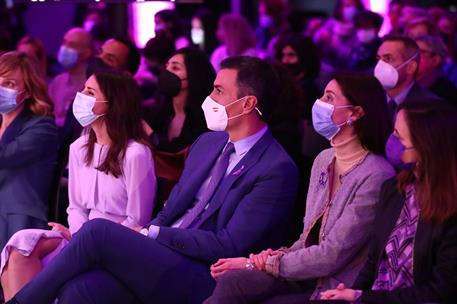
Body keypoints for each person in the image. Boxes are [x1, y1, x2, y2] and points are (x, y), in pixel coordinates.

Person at [7, 56, 299, 304]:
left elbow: (230, 245)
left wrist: (154, 234)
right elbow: (172, 209)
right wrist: (152, 235)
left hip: (206, 273)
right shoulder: (208, 143)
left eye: (219, 91)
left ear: (247, 103)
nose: (210, 98)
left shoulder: (275, 168)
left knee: (98, 232)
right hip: (163, 255)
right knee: (79, 291)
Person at [204, 74, 395, 303]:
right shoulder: (324, 159)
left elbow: (332, 255)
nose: (320, 102)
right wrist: (273, 257)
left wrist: (255, 263)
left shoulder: (377, 174)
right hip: (304, 274)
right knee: (233, 280)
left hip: (337, 285)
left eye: (330, 97)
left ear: (355, 112)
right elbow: (307, 239)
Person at [0, 70, 157, 301]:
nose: (80, 95)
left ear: (112, 103)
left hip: (116, 245)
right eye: (83, 88)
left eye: (90, 92)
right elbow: (75, 207)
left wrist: (85, 239)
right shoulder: (79, 147)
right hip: (79, 235)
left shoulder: (136, 154)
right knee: (20, 246)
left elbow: (137, 220)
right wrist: (77, 235)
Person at [320, 101, 457, 304]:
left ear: (426, 149)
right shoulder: (394, 188)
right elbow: (374, 259)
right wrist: (352, 294)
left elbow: (439, 292)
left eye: (399, 137)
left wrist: (363, 297)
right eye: (393, 132)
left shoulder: (451, 211)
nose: (392, 142)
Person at [0, 52, 58, 250]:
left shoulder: (42, 127)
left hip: (19, 219)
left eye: (8, 84)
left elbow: (4, 157)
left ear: (27, 91)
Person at [147, 47, 214, 153]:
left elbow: (181, 154)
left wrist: (149, 134)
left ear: (193, 75)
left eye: (175, 68)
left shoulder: (206, 121)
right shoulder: (161, 113)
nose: (166, 72)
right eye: (166, 66)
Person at [374, 35, 440, 124]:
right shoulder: (370, 98)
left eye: (388, 59)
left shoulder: (429, 107)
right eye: (378, 59)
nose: (380, 66)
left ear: (410, 67)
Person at [48, 28, 93, 128]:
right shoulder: (58, 81)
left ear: (86, 53)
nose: (65, 48)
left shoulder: (92, 85)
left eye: (72, 45)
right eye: (64, 42)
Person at [415, 35, 457, 105]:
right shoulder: (411, 85)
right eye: (412, 52)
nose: (412, 57)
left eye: (419, 52)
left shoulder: (445, 93)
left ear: (435, 60)